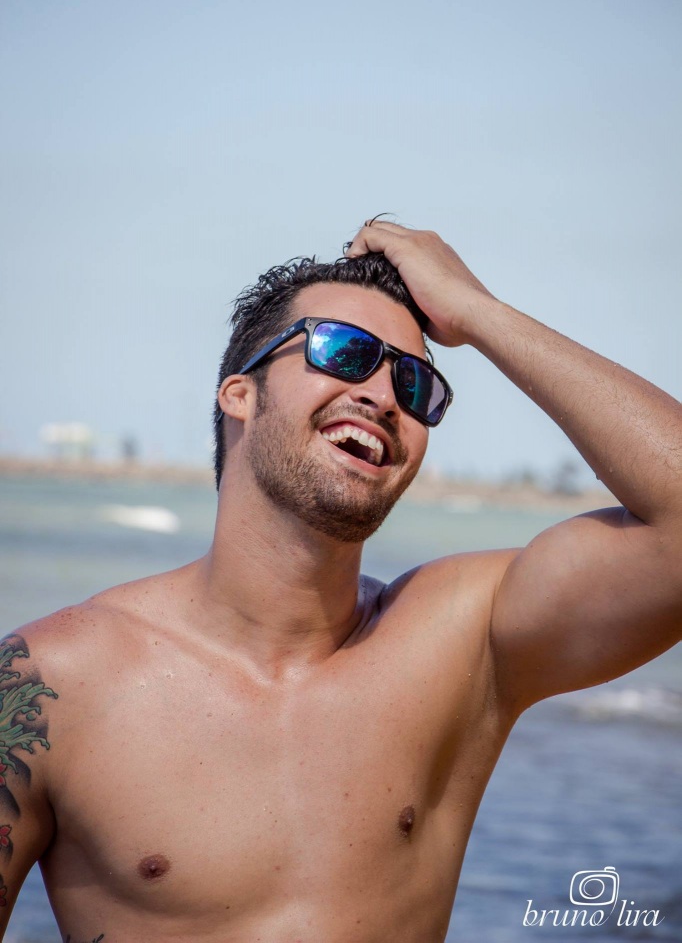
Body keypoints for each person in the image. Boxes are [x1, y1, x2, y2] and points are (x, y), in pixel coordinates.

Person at [1, 220, 680, 943]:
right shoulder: (50, 687)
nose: (384, 396)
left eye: (414, 384)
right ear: (240, 393)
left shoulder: (462, 642)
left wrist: (476, 312)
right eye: (344, 352)